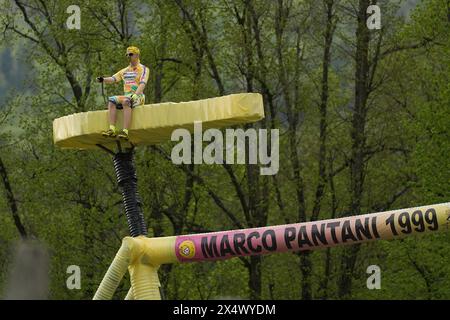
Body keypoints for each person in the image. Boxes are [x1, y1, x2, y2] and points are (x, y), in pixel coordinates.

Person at [96, 46, 150, 140]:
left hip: (139, 96)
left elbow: (143, 83)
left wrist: (136, 94)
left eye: (131, 54)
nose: (128, 56)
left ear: (137, 55)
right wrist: (103, 79)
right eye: (127, 55)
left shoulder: (144, 69)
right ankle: (112, 129)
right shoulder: (125, 70)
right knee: (111, 100)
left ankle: (125, 131)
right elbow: (113, 79)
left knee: (126, 101)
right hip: (127, 95)